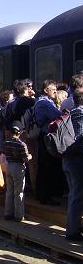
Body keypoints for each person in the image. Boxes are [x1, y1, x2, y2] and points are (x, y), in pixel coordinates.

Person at [34, 79, 62, 205]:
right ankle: (45, 196)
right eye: (53, 88)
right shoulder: (44, 103)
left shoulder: (46, 102)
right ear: (46, 90)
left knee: (45, 165)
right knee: (47, 165)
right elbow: (57, 115)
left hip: (45, 135)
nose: (55, 90)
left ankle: (42, 194)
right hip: (46, 136)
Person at [62, 73, 83, 241]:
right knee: (77, 194)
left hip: (67, 159)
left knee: (73, 194)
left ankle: (73, 227)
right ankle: (72, 232)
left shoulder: (69, 112)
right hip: (77, 160)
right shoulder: (81, 114)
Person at [3, 121, 32, 222]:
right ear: (19, 132)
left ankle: (8, 213)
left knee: (9, 191)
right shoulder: (21, 144)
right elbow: (25, 159)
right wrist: (30, 156)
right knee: (18, 192)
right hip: (18, 167)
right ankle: (19, 215)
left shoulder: (6, 142)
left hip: (9, 166)